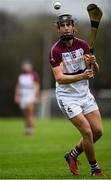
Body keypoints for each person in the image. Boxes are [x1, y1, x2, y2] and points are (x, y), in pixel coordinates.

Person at [49, 14, 104, 176]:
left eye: (68, 24)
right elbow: (60, 78)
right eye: (62, 25)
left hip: (84, 95)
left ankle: (72, 155)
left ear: (74, 27)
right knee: (87, 132)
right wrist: (82, 76)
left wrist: (93, 62)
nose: (66, 27)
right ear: (58, 29)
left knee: (98, 132)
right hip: (67, 97)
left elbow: (95, 71)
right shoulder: (55, 50)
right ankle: (95, 169)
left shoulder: (83, 45)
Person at [14, 60, 40, 135]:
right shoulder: (21, 75)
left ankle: (31, 130)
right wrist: (17, 96)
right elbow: (18, 86)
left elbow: (36, 86)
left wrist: (35, 95)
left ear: (30, 66)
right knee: (24, 114)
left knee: (30, 113)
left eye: (27, 65)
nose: (26, 67)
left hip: (30, 96)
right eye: (25, 65)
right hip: (23, 97)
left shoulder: (34, 75)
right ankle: (27, 128)